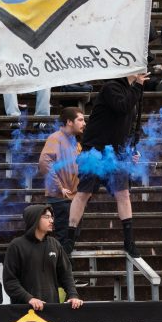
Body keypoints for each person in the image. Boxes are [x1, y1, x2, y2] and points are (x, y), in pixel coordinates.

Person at [64, 73, 147, 258]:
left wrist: (132, 149)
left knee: (123, 194)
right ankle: (70, 239)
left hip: (117, 153)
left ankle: (129, 241)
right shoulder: (111, 87)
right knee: (83, 193)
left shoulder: (132, 90)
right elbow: (122, 107)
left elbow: (132, 125)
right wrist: (139, 86)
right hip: (96, 149)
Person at [3, 204, 82, 310]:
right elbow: (10, 281)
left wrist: (73, 295)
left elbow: (66, 273)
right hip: (24, 311)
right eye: (46, 217)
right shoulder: (16, 246)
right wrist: (29, 298)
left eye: (52, 217)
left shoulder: (55, 244)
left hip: (52, 309)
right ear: (34, 219)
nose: (51, 221)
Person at [38, 107, 85, 251]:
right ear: (70, 122)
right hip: (60, 199)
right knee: (63, 241)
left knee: (71, 240)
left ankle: (66, 271)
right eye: (80, 120)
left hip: (74, 199)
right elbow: (45, 162)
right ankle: (63, 272)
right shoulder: (56, 138)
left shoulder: (75, 142)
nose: (84, 123)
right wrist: (59, 187)